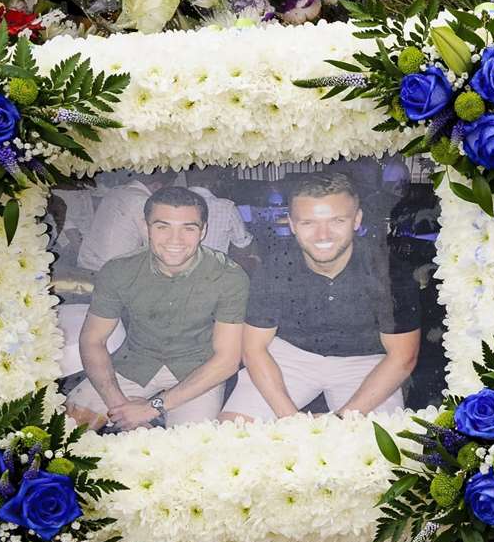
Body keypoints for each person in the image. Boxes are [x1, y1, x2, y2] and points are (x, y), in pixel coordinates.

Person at [220, 172, 422, 421]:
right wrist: (291, 420)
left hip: (364, 360)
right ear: (292, 225)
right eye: (308, 223)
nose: (323, 235)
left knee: (376, 449)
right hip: (291, 355)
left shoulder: (390, 273)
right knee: (232, 431)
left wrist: (339, 420)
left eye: (337, 221)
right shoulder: (275, 267)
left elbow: (402, 358)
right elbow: (254, 349)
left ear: (357, 220)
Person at [66, 187, 249, 429]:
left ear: (203, 231)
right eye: (163, 227)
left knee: (193, 453)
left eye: (188, 228)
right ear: (146, 227)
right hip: (135, 363)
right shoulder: (118, 270)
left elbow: (227, 360)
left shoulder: (229, 276)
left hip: (197, 371)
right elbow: (92, 340)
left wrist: (151, 407)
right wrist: (119, 407)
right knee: (64, 427)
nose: (175, 240)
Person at [77, 172, 253, 271]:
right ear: (157, 187)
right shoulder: (142, 201)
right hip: (110, 273)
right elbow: (158, 248)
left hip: (85, 264)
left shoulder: (116, 191)